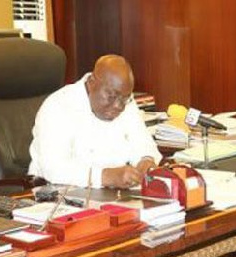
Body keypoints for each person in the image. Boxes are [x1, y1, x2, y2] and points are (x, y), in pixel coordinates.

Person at [29, 55, 162, 189]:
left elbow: (143, 142)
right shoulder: (58, 106)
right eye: (111, 96)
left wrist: (146, 160)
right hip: (60, 195)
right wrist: (105, 176)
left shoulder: (125, 100)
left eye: (125, 99)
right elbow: (53, 168)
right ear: (92, 82)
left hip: (114, 195)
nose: (118, 106)